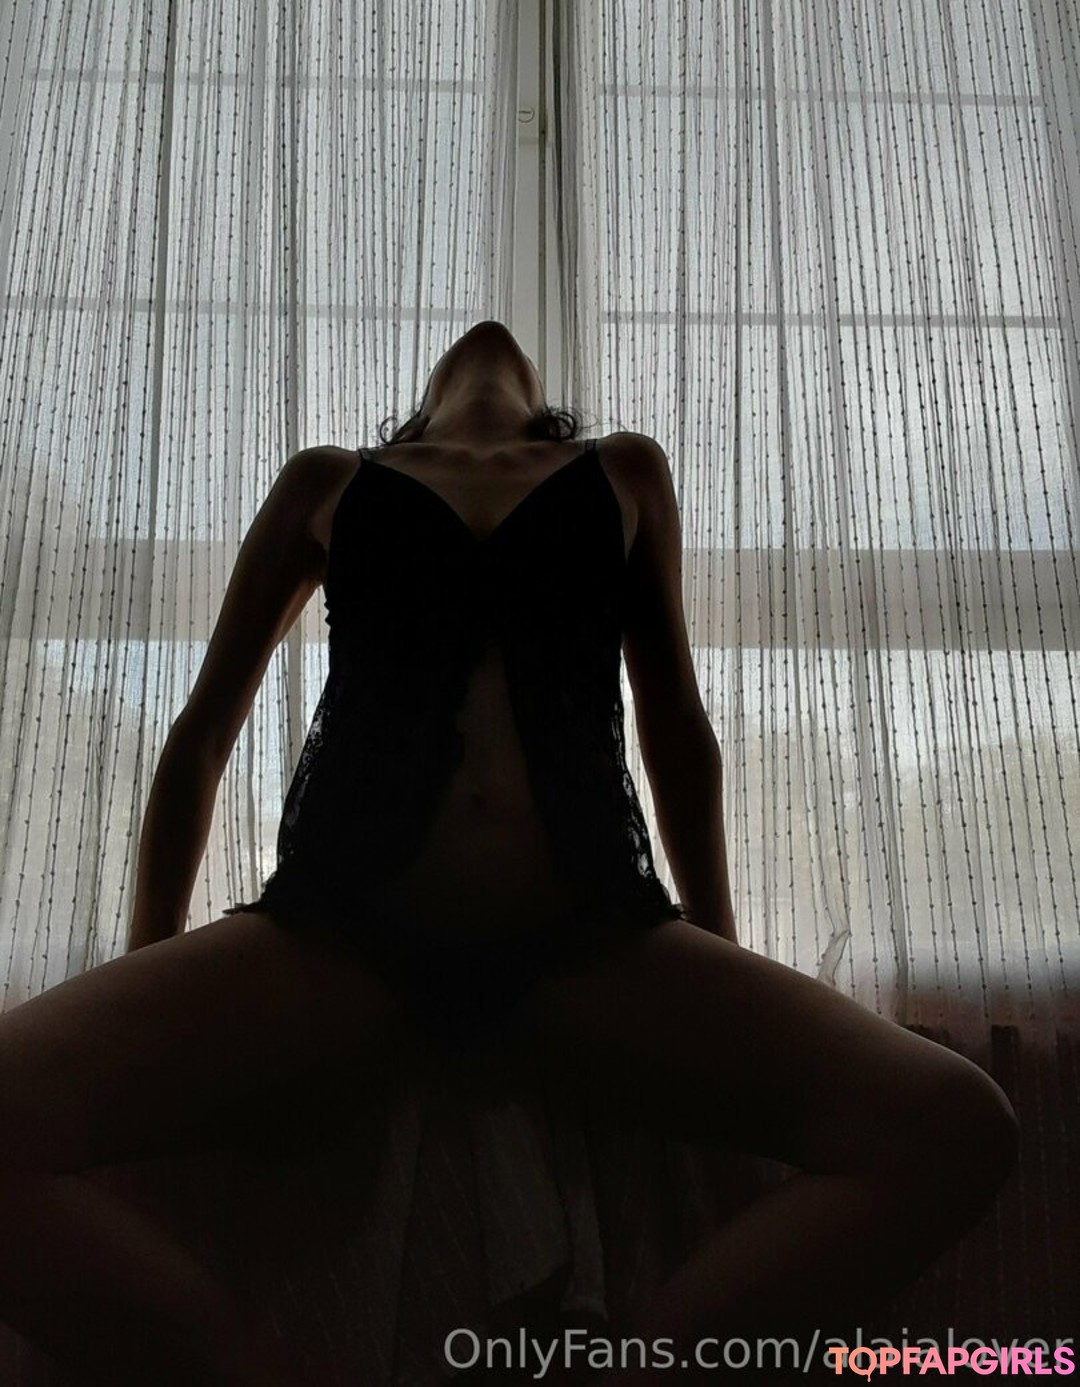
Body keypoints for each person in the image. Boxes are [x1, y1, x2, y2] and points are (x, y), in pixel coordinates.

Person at [0, 319, 1018, 1387]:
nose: (488, 328)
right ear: (413, 406)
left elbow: (676, 732)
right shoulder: (329, 480)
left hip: (585, 932)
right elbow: (203, 734)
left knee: (954, 1124)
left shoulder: (623, 470)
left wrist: (723, 951)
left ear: (546, 401)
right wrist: (149, 967)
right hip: (339, 931)